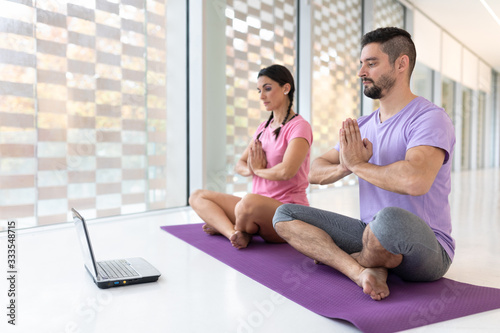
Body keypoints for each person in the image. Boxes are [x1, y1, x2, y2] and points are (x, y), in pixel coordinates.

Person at [272, 27, 456, 300]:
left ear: (401, 64)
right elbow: (311, 169)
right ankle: (361, 271)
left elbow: (415, 180)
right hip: (369, 233)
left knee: (388, 219)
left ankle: (360, 258)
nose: (361, 72)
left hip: (426, 247)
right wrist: (344, 166)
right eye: (361, 64)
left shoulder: (429, 118)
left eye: (371, 63)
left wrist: (358, 165)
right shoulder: (362, 125)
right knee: (285, 214)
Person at [189, 64, 313, 249]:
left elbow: (287, 171)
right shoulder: (263, 127)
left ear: (286, 88)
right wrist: (250, 169)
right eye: (259, 91)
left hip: (286, 212)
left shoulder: (299, 126)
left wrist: (259, 170)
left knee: (248, 202)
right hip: (252, 207)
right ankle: (234, 233)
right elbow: (240, 163)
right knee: (197, 196)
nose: (262, 96)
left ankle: (233, 227)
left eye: (267, 89)